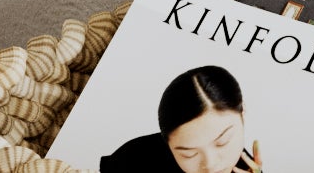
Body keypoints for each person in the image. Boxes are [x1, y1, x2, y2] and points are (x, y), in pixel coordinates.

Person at [99, 67, 258, 173]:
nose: (209, 164)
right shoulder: (132, 160)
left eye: (222, 142)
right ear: (168, 143)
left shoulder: (247, 168)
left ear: (242, 113)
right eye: (190, 154)